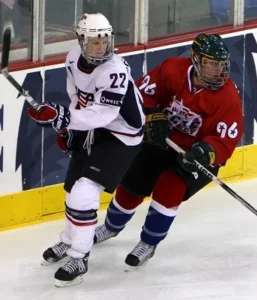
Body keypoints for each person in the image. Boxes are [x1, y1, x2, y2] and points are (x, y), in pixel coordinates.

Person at [92, 33, 244, 271]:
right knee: (134, 180)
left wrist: (206, 151)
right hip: (163, 141)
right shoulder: (172, 70)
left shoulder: (228, 97)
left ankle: (148, 243)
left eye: (221, 64)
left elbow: (226, 138)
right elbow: (141, 93)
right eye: (211, 64)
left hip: (195, 156)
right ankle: (111, 227)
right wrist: (151, 113)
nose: (218, 71)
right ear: (195, 60)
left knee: (170, 185)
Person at [27, 13, 145, 287]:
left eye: (105, 40)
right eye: (94, 42)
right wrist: (67, 127)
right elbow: (77, 98)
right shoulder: (72, 59)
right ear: (80, 41)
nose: (101, 47)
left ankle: (79, 258)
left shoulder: (113, 70)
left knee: (83, 193)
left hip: (122, 136)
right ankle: (70, 241)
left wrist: (63, 118)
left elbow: (103, 115)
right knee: (71, 189)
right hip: (93, 128)